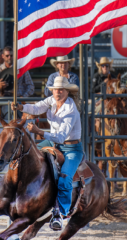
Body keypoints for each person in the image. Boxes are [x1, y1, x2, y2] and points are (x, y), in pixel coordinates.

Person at [11, 76, 82, 230]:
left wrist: (39, 132)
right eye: (56, 89)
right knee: (30, 154)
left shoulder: (71, 110)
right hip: (54, 142)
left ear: (67, 92)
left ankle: (60, 214)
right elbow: (36, 108)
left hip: (71, 148)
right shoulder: (51, 100)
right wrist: (21, 107)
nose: (58, 92)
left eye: (61, 89)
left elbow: (62, 137)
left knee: (64, 179)